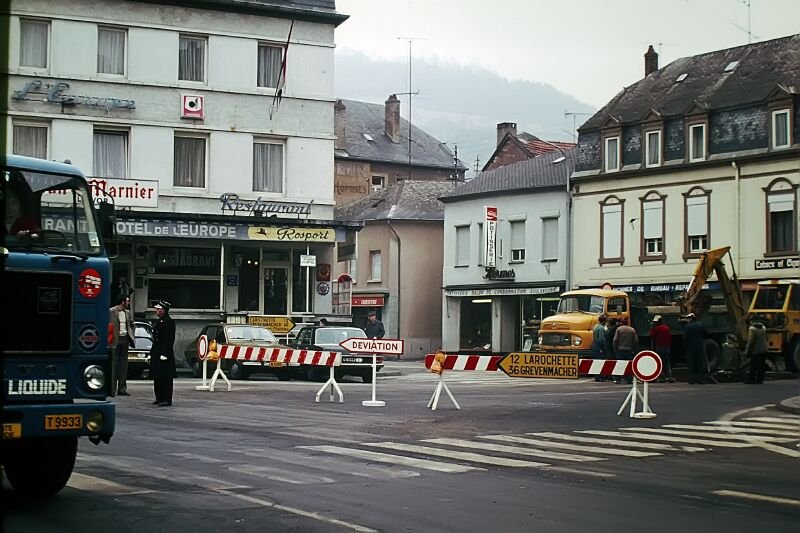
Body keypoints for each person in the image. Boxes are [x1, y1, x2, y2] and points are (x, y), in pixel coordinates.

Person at [149, 300, 177, 406]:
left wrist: (165, 353)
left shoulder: (169, 322)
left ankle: (166, 399)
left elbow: (169, 340)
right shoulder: (160, 321)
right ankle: (159, 397)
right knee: (157, 376)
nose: (156, 311)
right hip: (157, 351)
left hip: (164, 353)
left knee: (165, 377)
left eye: (158, 309)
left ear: (163, 310)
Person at [109, 294, 135, 396]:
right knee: (114, 365)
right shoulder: (111, 311)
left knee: (123, 365)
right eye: (127, 301)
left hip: (125, 339)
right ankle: (112, 389)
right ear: (123, 302)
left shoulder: (127, 313)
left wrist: (131, 333)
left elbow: (132, 324)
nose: (129, 303)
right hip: (115, 340)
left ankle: (122, 388)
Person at [683, 313, 711, 384]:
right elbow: (706, 334)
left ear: (690, 319)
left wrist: (685, 346)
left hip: (690, 348)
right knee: (700, 363)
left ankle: (692, 379)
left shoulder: (687, 327)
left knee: (691, 363)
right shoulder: (700, 325)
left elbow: (685, 338)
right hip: (699, 347)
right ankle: (701, 379)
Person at [649, 315, 675, 383]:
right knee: (667, 362)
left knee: (659, 363)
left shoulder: (657, 328)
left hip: (659, 347)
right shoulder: (667, 328)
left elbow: (651, 334)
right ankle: (670, 376)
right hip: (667, 347)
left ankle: (662, 377)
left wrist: (652, 327)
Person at [613, 318, 637, 384]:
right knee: (628, 365)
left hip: (620, 349)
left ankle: (618, 379)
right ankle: (629, 379)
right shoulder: (632, 330)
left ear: (622, 323)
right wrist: (633, 348)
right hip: (629, 349)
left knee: (619, 364)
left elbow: (615, 340)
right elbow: (635, 340)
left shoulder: (619, 329)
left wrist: (615, 348)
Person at [744, 319, 768, 384]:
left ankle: (751, 380)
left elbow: (750, 341)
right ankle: (760, 380)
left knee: (753, 366)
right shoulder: (763, 327)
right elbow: (766, 338)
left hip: (756, 350)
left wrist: (747, 351)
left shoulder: (752, 329)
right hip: (764, 349)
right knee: (761, 366)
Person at [591, 314, 610, 382]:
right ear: (604, 321)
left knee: (596, 362)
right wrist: (605, 347)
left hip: (594, 345)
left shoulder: (595, 326)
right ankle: (600, 377)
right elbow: (601, 339)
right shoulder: (601, 328)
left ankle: (596, 376)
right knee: (601, 362)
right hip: (599, 347)